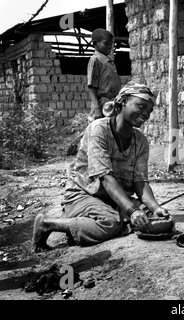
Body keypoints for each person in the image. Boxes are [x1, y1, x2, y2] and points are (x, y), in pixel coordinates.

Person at [33, 83, 170, 252]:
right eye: (141, 106)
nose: (146, 114)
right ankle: (48, 224)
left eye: (150, 110)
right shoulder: (99, 129)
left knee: (154, 220)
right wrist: (132, 210)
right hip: (83, 195)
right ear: (122, 103)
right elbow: (105, 178)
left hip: (114, 199)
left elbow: (140, 182)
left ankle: (94, 224)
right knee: (111, 223)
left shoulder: (140, 140)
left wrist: (155, 208)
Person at [87, 28, 121, 121]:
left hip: (111, 105)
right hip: (102, 106)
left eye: (111, 44)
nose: (110, 47)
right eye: (106, 44)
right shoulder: (95, 60)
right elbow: (92, 86)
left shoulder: (109, 61)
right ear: (95, 43)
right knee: (100, 130)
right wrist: (97, 108)